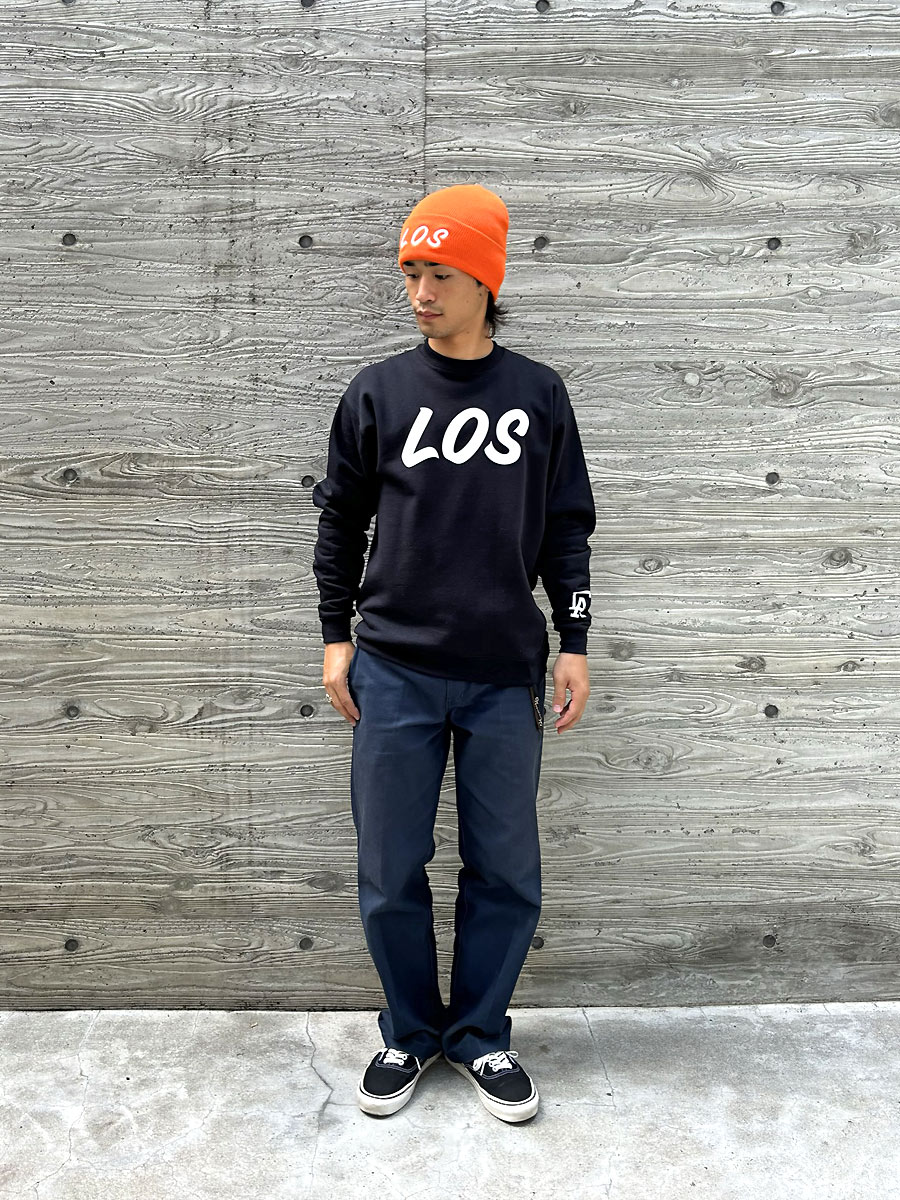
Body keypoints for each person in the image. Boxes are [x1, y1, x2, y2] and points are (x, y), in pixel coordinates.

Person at [311, 183, 595, 1124]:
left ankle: (478, 1034)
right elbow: (340, 523)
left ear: (484, 281)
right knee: (389, 868)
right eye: (411, 273)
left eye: (439, 273)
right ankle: (408, 1031)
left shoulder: (538, 395)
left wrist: (574, 640)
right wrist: (336, 638)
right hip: (392, 669)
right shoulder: (379, 392)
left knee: (505, 870)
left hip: (503, 673)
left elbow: (566, 526)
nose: (421, 292)